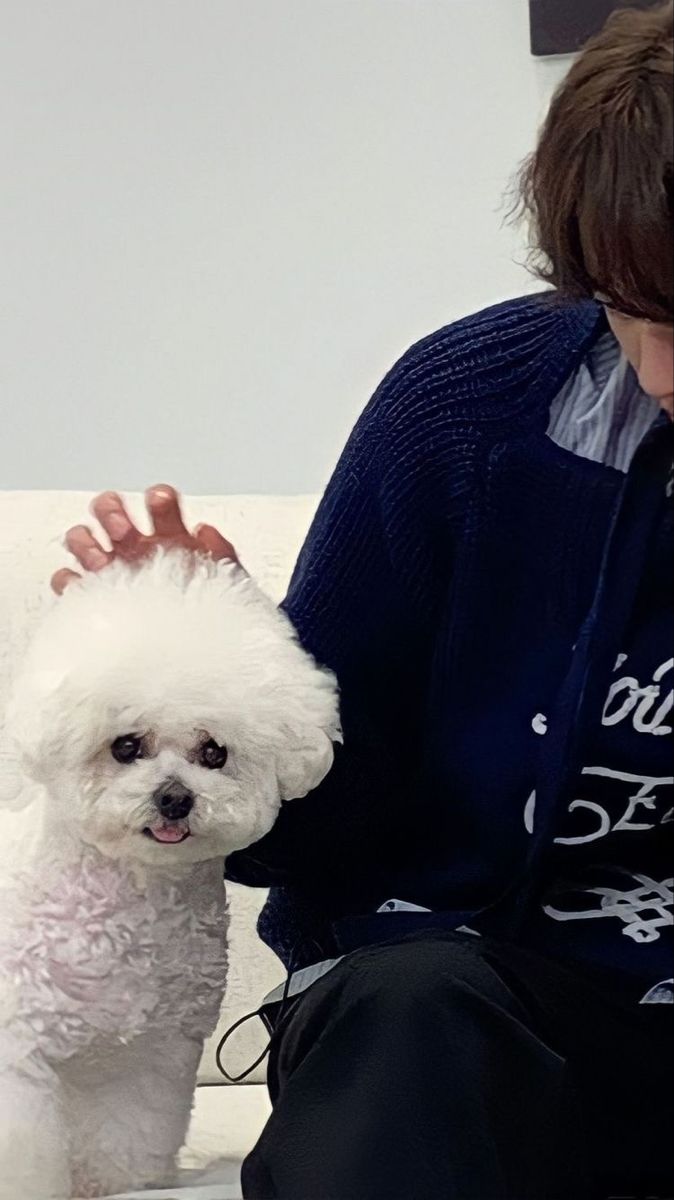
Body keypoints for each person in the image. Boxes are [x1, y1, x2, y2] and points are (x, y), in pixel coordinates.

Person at [54, 4, 673, 1197]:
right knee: (414, 1006)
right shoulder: (459, 416)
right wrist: (231, 679)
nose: (661, 378)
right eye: (631, 313)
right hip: (454, 1004)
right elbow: (288, 833)